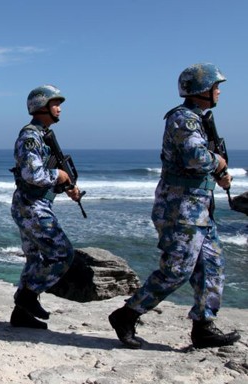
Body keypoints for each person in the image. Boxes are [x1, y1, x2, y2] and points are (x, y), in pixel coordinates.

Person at [109, 63, 241, 349]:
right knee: (177, 269)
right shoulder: (183, 118)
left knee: (212, 265)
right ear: (201, 90)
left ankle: (204, 326)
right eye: (215, 86)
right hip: (180, 207)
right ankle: (127, 314)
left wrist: (217, 174)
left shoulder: (198, 118)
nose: (219, 91)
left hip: (199, 208)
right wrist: (217, 162)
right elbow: (195, 156)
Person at [9, 85, 82, 329]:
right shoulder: (31, 137)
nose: (59, 108)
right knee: (62, 253)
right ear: (41, 107)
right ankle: (27, 297)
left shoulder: (44, 135)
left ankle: (21, 315)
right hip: (31, 205)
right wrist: (59, 175)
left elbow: (48, 174)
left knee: (35, 258)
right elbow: (32, 174)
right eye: (54, 104)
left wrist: (66, 185)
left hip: (34, 203)